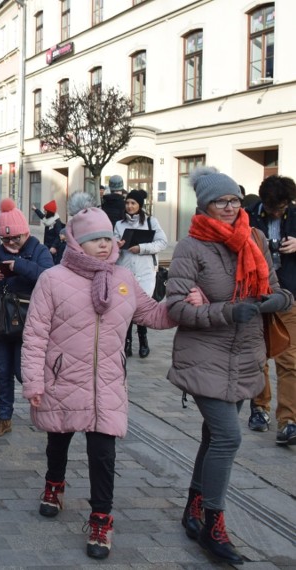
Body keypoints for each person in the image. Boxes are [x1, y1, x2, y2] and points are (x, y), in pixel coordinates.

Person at [22, 207, 179, 560]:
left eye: (108, 238)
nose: (104, 245)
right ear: (77, 242)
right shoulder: (53, 279)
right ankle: (54, 484)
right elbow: (34, 335)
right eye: (95, 240)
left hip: (107, 383)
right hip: (63, 378)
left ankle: (100, 517)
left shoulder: (123, 278)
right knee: (58, 440)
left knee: (103, 454)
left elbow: (152, 314)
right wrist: (33, 381)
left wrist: (180, 305)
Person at [166, 166, 292, 564]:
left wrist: (278, 301)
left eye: (235, 199)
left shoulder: (253, 238)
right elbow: (176, 308)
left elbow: (274, 288)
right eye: (222, 201)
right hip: (205, 357)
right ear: (205, 205)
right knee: (228, 438)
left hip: (246, 356)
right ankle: (213, 526)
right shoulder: (191, 248)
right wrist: (226, 311)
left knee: (212, 437)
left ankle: (194, 506)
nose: (230, 206)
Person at [0, 198, 53, 437]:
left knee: (21, 371)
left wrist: (18, 266)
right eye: (6, 239)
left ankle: (43, 407)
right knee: (2, 371)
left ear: (26, 233)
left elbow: (48, 275)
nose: (11, 242)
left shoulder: (38, 249)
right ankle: (3, 417)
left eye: (16, 237)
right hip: (1, 321)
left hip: (30, 322)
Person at [246, 174, 296, 445]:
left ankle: (288, 421)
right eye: (273, 207)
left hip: (289, 295)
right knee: (258, 357)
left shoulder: (295, 213)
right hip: (257, 294)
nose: (278, 211)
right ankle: (259, 409)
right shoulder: (249, 216)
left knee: (289, 360)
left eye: (283, 207)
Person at [114, 190, 167, 358]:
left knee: (141, 306)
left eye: (133, 203)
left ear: (140, 205)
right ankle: (127, 343)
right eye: (128, 203)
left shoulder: (151, 222)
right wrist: (117, 244)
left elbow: (162, 242)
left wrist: (142, 248)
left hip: (145, 272)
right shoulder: (119, 224)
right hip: (125, 271)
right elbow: (113, 247)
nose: (130, 206)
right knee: (126, 307)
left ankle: (143, 340)